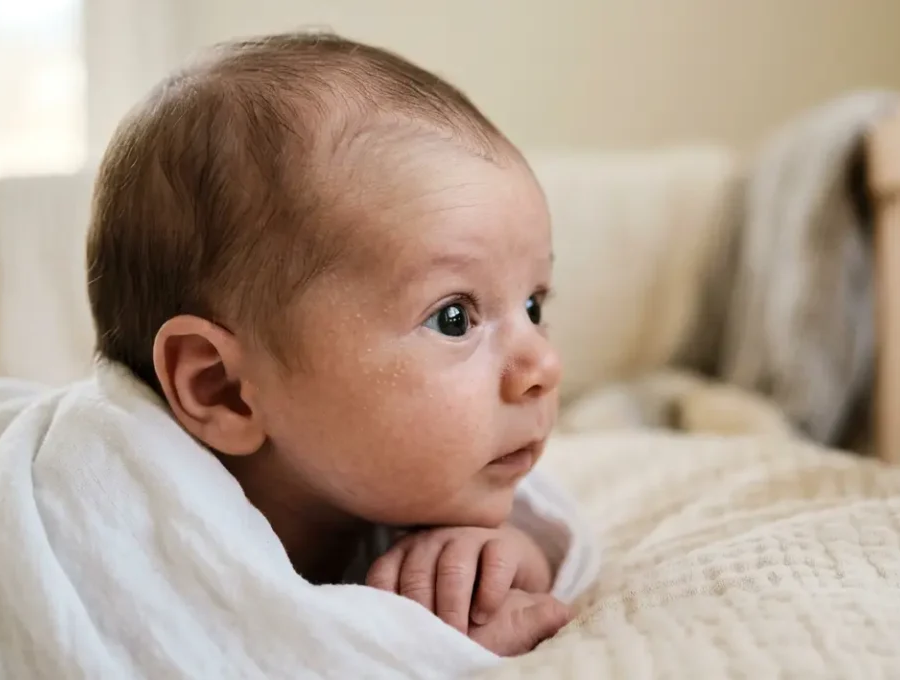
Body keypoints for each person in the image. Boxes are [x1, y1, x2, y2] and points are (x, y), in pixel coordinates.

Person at [80, 30, 594, 657]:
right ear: (224, 389)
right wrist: (423, 649)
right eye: (454, 317)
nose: (544, 364)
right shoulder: (120, 537)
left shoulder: (371, 469)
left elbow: (551, 527)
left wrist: (507, 556)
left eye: (534, 305)